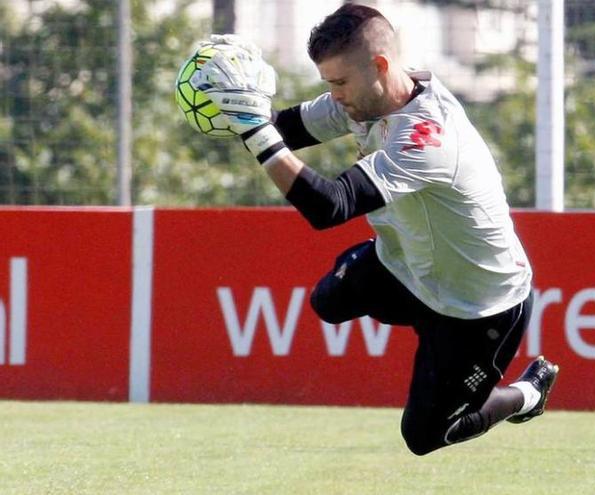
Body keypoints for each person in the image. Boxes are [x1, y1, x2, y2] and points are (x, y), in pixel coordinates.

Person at [192, 4, 558, 456]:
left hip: (479, 306)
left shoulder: (428, 136)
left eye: (340, 83)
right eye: (329, 83)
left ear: (380, 66)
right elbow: (285, 129)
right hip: (406, 270)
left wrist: (253, 129)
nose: (334, 95)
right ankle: (423, 315)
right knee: (328, 301)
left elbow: (331, 206)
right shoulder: (362, 97)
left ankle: (528, 394)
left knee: (425, 437)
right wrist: (234, 106)